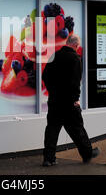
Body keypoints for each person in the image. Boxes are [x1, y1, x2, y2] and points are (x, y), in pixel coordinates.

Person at [42, 34, 99, 166]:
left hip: (55, 100)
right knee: (77, 128)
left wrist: (53, 91)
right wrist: (75, 99)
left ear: (66, 42)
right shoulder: (75, 59)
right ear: (75, 45)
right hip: (68, 101)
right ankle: (87, 154)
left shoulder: (54, 56)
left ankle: (48, 158)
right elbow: (75, 82)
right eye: (78, 45)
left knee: (52, 129)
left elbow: (45, 76)